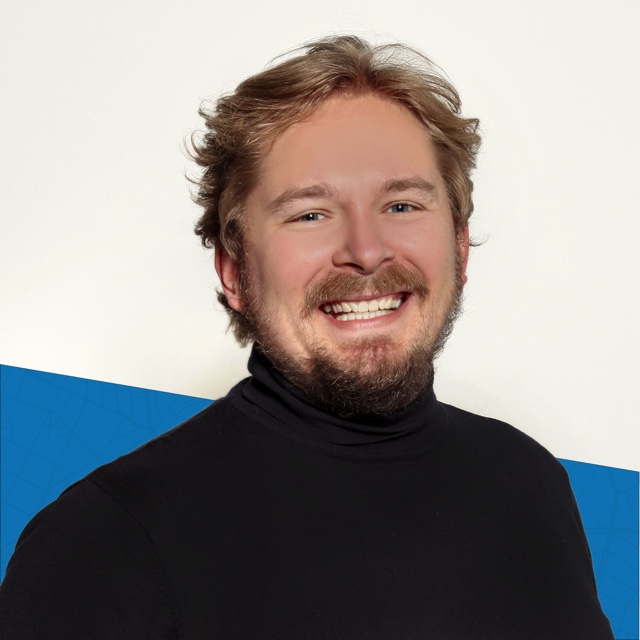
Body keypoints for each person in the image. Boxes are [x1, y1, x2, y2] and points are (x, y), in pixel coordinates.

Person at [0, 36, 613, 639]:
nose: (366, 251)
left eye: (402, 205)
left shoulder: (531, 482)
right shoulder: (101, 544)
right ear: (234, 272)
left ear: (459, 246)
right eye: (310, 214)